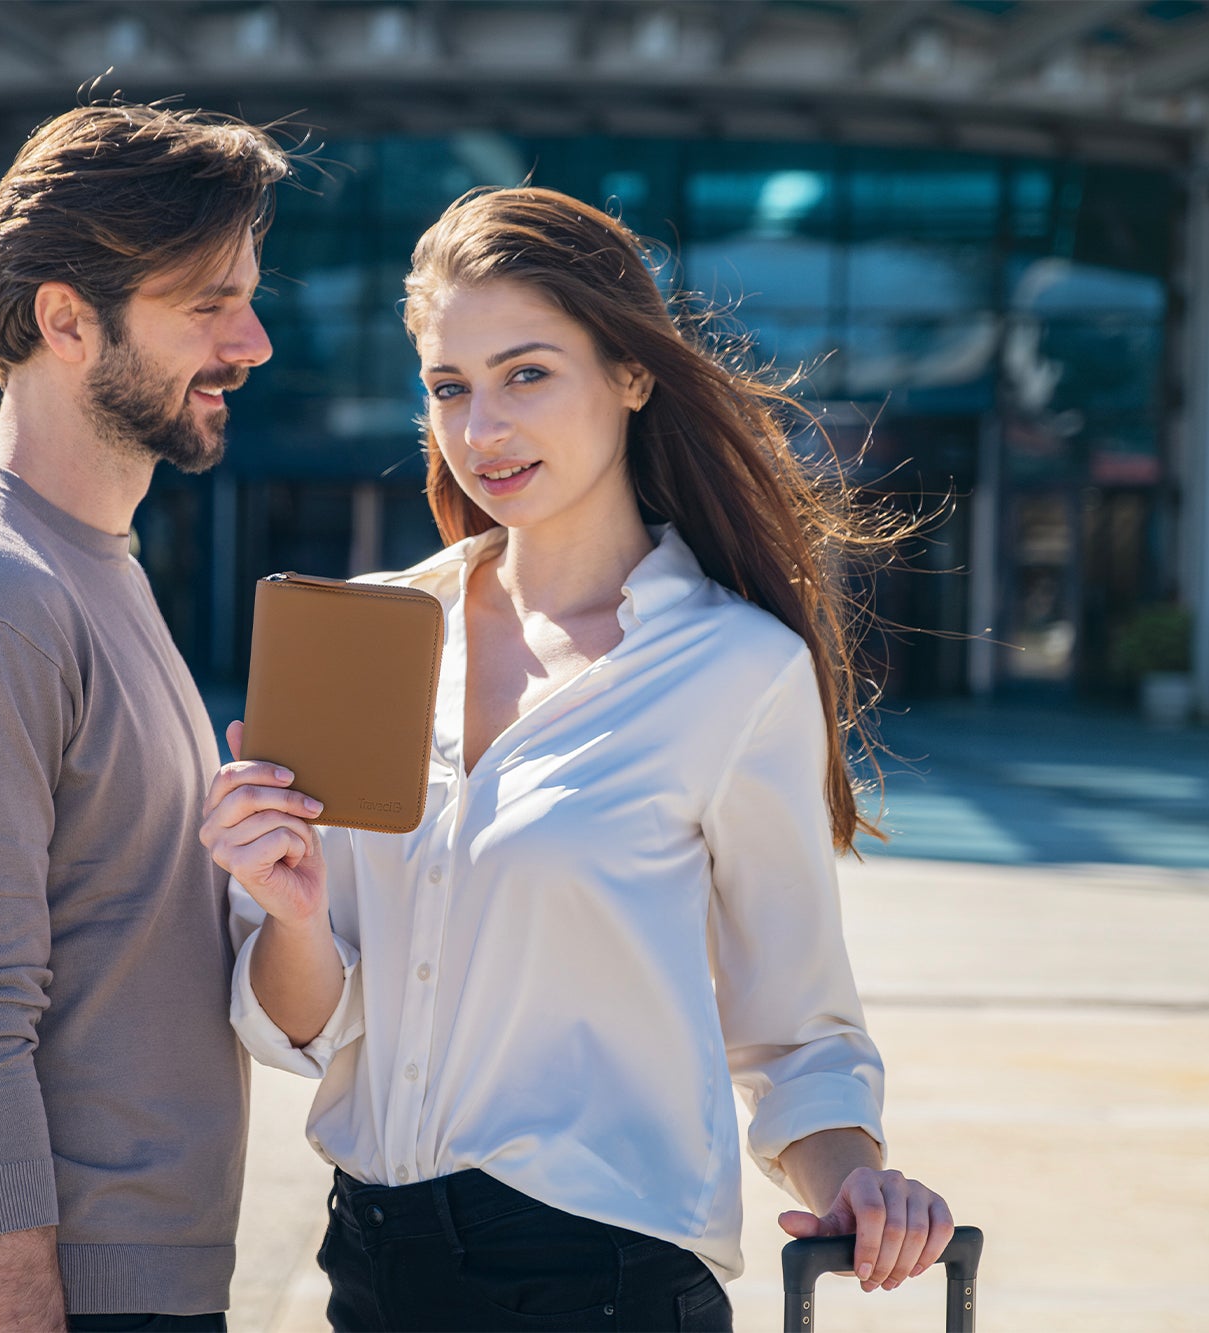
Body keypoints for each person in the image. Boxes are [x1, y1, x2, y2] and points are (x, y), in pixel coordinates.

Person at [200, 187, 953, 1332]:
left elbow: (794, 1031)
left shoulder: (732, 671)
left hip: (601, 1283)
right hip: (372, 1267)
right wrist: (288, 910)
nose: (483, 428)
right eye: (449, 387)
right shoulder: (361, 635)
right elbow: (307, 1027)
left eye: (526, 373)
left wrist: (852, 1180)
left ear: (630, 374)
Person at [0, 103, 288, 1333]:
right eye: (206, 305)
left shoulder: (89, 565)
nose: (253, 341)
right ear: (66, 318)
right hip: (43, 1302)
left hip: (135, 1287)